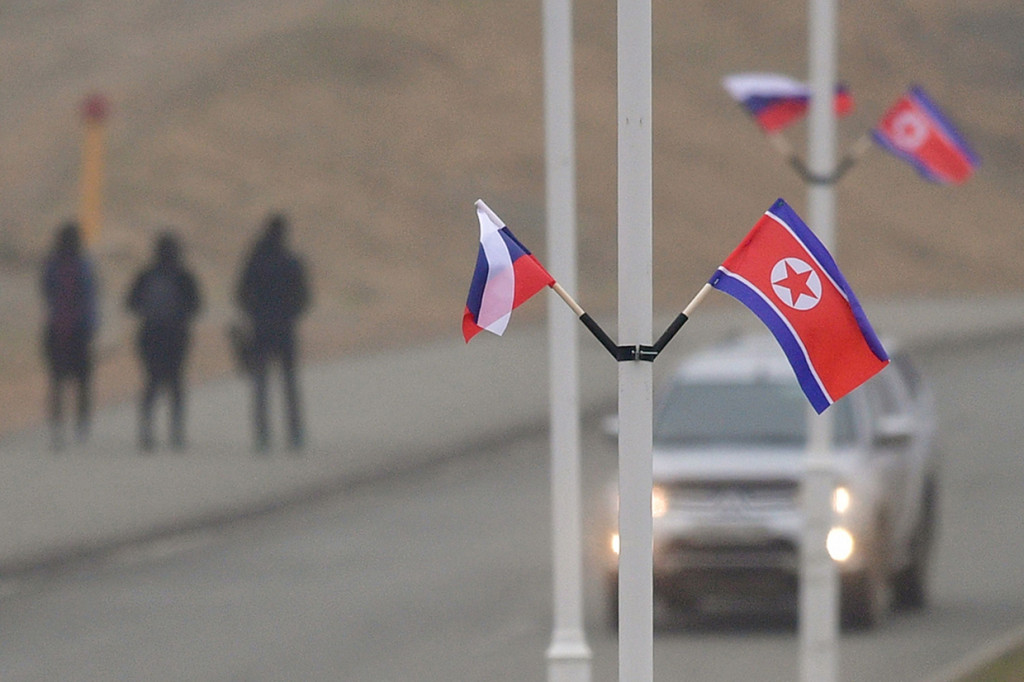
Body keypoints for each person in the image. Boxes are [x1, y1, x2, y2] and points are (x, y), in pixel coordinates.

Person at [236, 212, 310, 452]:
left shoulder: (256, 260)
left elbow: (241, 293)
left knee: (262, 385)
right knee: (287, 384)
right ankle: (294, 433)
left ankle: (263, 434)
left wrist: (254, 312)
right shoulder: (290, 260)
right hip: (283, 327)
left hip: (261, 326)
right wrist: (290, 313)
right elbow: (303, 296)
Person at [126, 231, 202, 452]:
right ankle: (175, 432)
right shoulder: (183, 276)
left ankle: (148, 431)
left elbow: (131, 303)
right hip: (175, 335)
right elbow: (196, 305)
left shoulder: (146, 275)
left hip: (151, 334)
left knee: (152, 383)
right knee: (174, 383)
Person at [40, 221, 99, 451]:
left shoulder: (56, 265)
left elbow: (46, 291)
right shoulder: (77, 265)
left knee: (64, 381)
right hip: (71, 329)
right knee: (70, 381)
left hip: (64, 329)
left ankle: (67, 425)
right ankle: (71, 425)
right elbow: (90, 297)